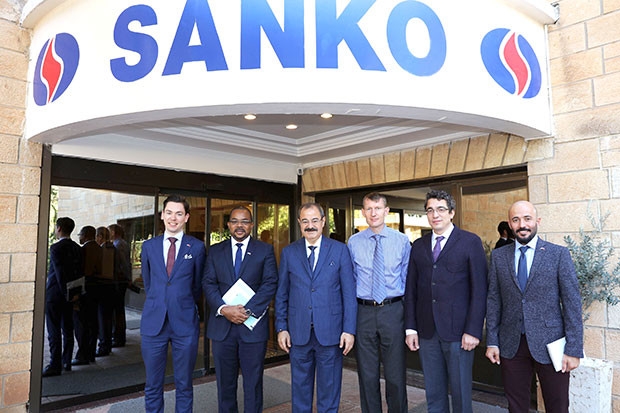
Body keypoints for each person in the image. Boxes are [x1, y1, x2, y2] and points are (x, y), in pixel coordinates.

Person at [485, 200, 583, 412]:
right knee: (516, 407)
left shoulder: (558, 254)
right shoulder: (499, 256)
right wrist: (492, 340)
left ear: (537, 221)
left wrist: (574, 349)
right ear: (510, 224)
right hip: (511, 344)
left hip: (551, 343)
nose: (522, 225)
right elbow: (493, 300)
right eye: (516, 220)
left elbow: (572, 302)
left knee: (557, 405)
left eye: (527, 219)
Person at [404, 189, 488, 413]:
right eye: (430, 210)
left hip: (459, 333)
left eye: (441, 209)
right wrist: (411, 328)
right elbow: (411, 290)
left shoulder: (470, 242)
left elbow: (480, 290)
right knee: (433, 393)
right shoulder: (418, 246)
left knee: (460, 393)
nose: (435, 215)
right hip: (427, 332)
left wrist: (473, 330)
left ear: (451, 213)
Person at [275, 202, 357, 413]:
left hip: (331, 332)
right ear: (299, 223)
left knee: (329, 389)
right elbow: (282, 293)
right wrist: (281, 328)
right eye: (305, 221)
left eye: (314, 220)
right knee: (300, 390)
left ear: (323, 222)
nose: (309, 225)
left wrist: (349, 330)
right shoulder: (289, 252)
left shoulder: (340, 250)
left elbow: (348, 294)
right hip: (298, 332)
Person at [203, 206, 278, 413]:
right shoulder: (215, 251)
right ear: (228, 225)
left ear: (252, 225)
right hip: (222, 328)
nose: (239, 226)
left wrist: (247, 311)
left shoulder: (264, 250)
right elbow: (208, 283)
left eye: (244, 221)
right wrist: (223, 308)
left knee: (253, 384)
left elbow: (270, 283)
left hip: (252, 327)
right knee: (225, 384)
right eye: (235, 221)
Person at [140, 194, 206, 413]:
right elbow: (149, 283)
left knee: (184, 383)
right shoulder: (149, 246)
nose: (173, 218)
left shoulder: (196, 247)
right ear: (162, 215)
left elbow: (197, 286)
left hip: (184, 323)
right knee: (153, 384)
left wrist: (180, 301)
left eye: (179, 214)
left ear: (186, 217)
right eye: (169, 213)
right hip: (154, 323)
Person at [347, 192, 411, 413]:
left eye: (378, 208)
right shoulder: (353, 242)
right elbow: (351, 280)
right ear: (363, 212)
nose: (373, 213)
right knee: (367, 374)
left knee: (395, 374)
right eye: (369, 209)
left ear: (386, 211)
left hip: (393, 311)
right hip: (363, 312)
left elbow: (407, 280)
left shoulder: (402, 241)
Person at [43, 217, 83, 377]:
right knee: (67, 329)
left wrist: (65, 293)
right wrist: (75, 294)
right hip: (71, 294)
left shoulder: (55, 248)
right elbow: (80, 273)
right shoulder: (77, 248)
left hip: (55, 294)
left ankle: (55, 364)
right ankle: (66, 361)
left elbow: (59, 274)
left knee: (53, 330)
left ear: (59, 228)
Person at [72, 225, 102, 366]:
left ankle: (82, 354)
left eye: (80, 235)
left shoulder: (83, 250)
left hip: (85, 288)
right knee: (93, 322)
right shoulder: (100, 249)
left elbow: (80, 271)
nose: (79, 237)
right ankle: (91, 353)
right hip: (98, 288)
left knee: (81, 323)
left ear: (85, 235)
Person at [94, 226, 117, 357]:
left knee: (103, 318)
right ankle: (106, 344)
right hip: (111, 286)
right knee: (108, 318)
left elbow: (104, 270)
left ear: (100, 236)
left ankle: (103, 346)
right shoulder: (113, 248)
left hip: (104, 285)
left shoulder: (103, 249)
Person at [108, 223, 131, 347]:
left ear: (113, 232)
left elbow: (123, 264)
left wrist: (126, 278)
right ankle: (119, 336)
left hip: (119, 281)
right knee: (119, 310)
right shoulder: (123, 243)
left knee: (117, 310)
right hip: (122, 280)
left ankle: (118, 337)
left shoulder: (118, 245)